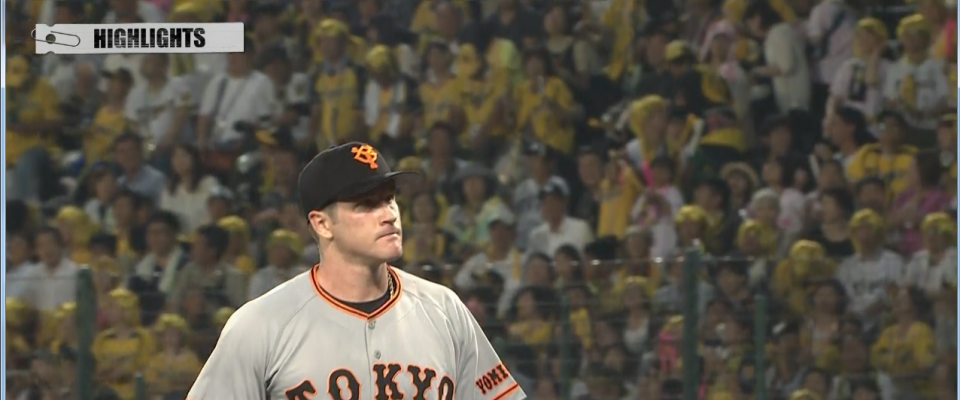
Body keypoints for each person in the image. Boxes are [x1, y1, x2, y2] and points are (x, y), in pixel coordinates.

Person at [187, 142, 526, 400]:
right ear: (322, 224)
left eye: (389, 199)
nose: (389, 214)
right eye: (367, 204)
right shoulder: (260, 325)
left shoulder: (444, 309)